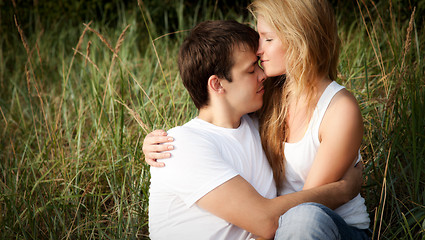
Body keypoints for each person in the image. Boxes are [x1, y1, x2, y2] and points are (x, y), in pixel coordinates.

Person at [145, 0, 372, 239]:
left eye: (268, 39)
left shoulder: (335, 108)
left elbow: (303, 209)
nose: (259, 51)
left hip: (329, 227)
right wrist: (343, 190)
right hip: (284, 224)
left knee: (303, 219)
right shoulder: (266, 99)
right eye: (252, 68)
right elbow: (217, 123)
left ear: (299, 40)